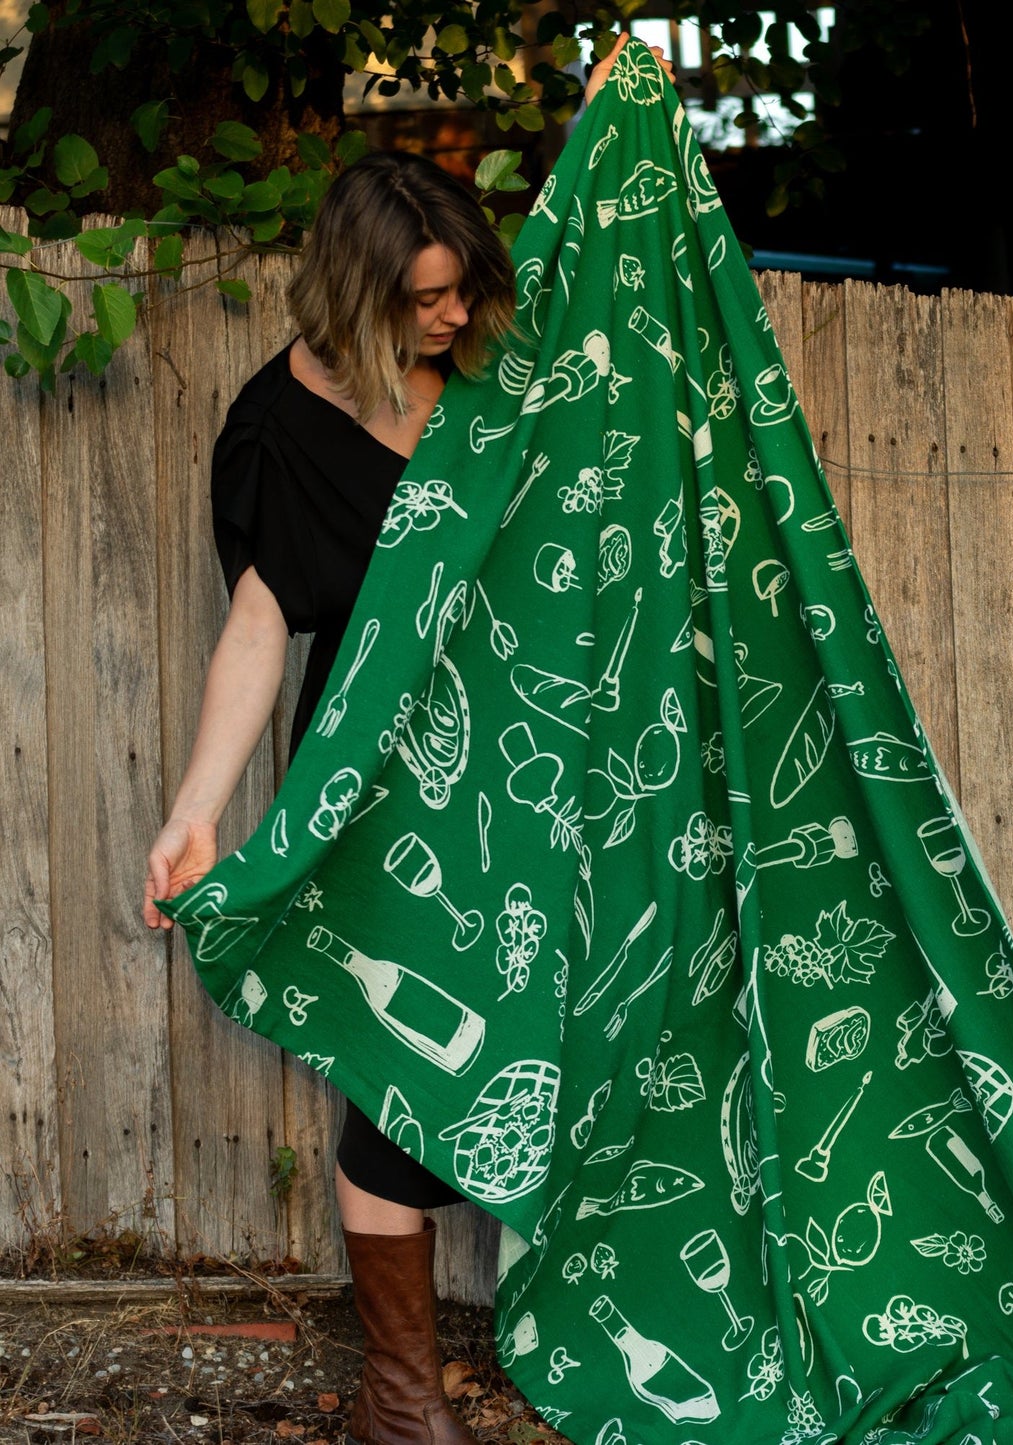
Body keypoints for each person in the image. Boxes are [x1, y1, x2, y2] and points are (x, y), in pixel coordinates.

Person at [142, 36, 672, 1445]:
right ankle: (399, 1396)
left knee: (580, 1032)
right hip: (389, 794)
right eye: (424, 300)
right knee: (400, 1071)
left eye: (463, 291)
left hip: (545, 772)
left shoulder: (510, 376)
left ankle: (601, 1329)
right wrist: (198, 809)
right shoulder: (281, 428)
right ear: (362, 294)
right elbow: (262, 626)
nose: (451, 319)